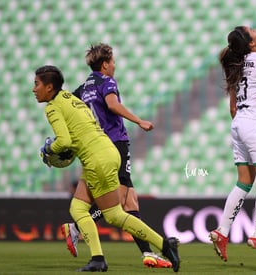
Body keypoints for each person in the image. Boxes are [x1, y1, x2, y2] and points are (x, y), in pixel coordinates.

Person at [33, 65, 180, 272]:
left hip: (96, 159)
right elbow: (79, 134)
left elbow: (64, 141)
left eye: (36, 84)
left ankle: (99, 258)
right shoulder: (71, 99)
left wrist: (48, 148)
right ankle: (164, 245)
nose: (33, 89)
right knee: (104, 212)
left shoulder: (52, 107)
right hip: (108, 151)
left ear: (49, 87)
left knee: (94, 212)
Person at [60, 43, 172, 268]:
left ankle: (148, 253)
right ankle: (76, 228)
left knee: (130, 200)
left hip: (96, 148)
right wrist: (139, 120)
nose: (114, 66)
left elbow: (67, 106)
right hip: (115, 146)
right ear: (104, 64)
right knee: (119, 204)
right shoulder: (107, 81)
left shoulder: (84, 87)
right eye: (112, 62)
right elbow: (112, 104)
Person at [209, 26, 256, 261]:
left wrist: (243, 128)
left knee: (244, 182)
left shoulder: (235, 66)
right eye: (253, 31)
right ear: (251, 43)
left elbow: (232, 107)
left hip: (238, 123)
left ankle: (222, 231)